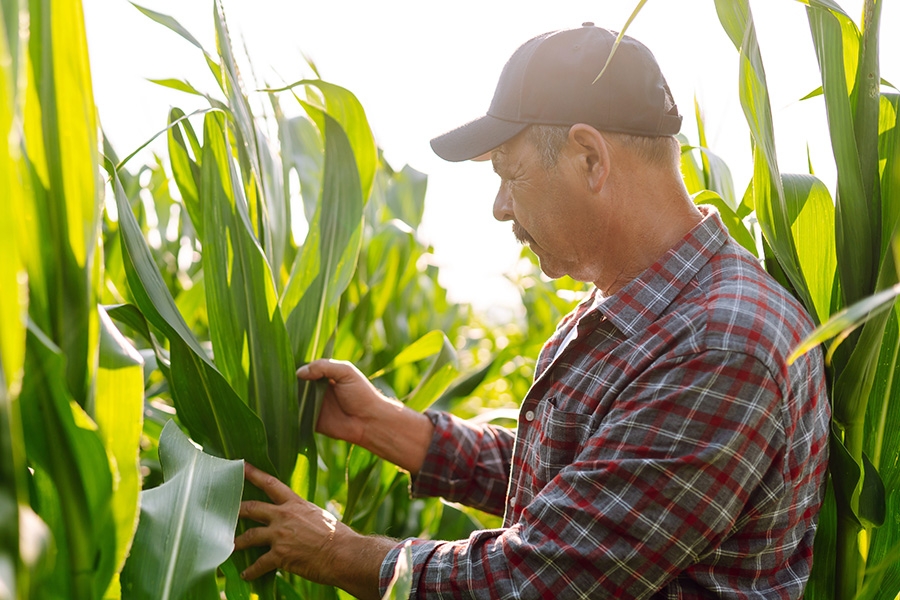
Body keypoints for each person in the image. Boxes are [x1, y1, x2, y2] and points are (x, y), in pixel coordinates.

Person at [234, 24, 831, 599]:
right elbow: (583, 482)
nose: (499, 207)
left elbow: (537, 581)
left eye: (508, 173)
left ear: (589, 158)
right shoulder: (636, 306)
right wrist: (385, 427)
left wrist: (336, 550)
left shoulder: (718, 346)